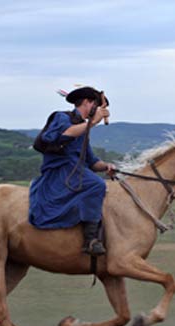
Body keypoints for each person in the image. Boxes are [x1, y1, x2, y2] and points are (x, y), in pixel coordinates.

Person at [29, 86, 115, 256]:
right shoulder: (62, 117)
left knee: (101, 182)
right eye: (96, 106)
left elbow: (92, 161)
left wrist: (106, 166)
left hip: (76, 171)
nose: (98, 110)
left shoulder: (83, 129)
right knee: (97, 185)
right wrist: (93, 122)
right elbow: (62, 135)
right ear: (87, 102)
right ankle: (90, 240)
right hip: (61, 171)